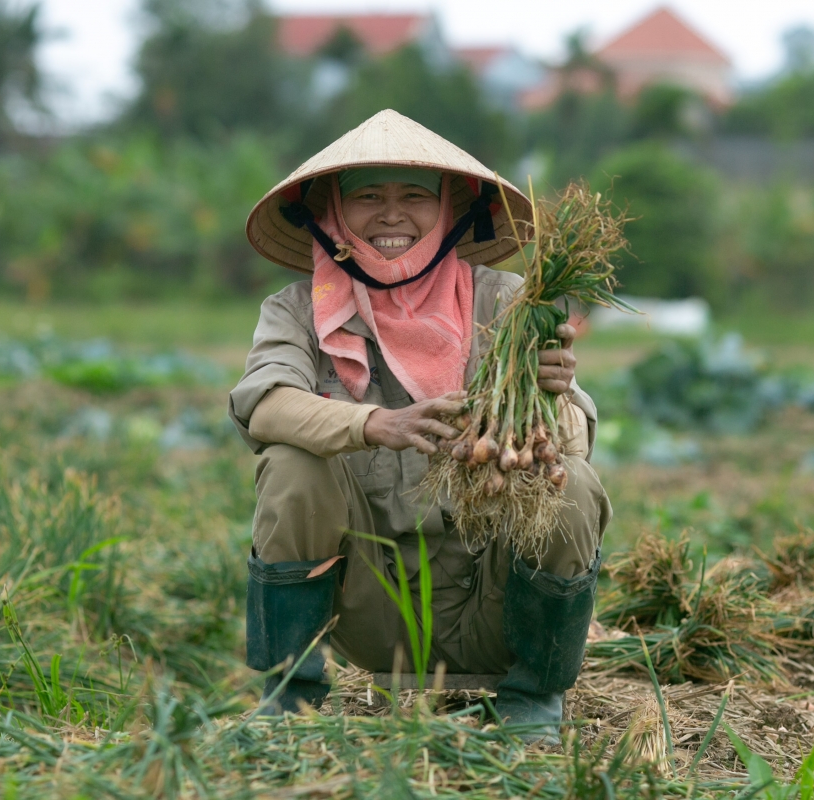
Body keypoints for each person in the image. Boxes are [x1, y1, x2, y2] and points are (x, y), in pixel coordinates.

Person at [228, 110, 612, 742]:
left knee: (570, 482)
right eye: (368, 197)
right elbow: (264, 406)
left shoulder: (508, 304)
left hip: (489, 604)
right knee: (292, 464)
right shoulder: (296, 311)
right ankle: (288, 696)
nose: (391, 215)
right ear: (330, 214)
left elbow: (571, 446)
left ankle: (534, 698)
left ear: (451, 210)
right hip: (369, 608)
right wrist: (375, 423)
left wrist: (556, 393)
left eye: (414, 196)